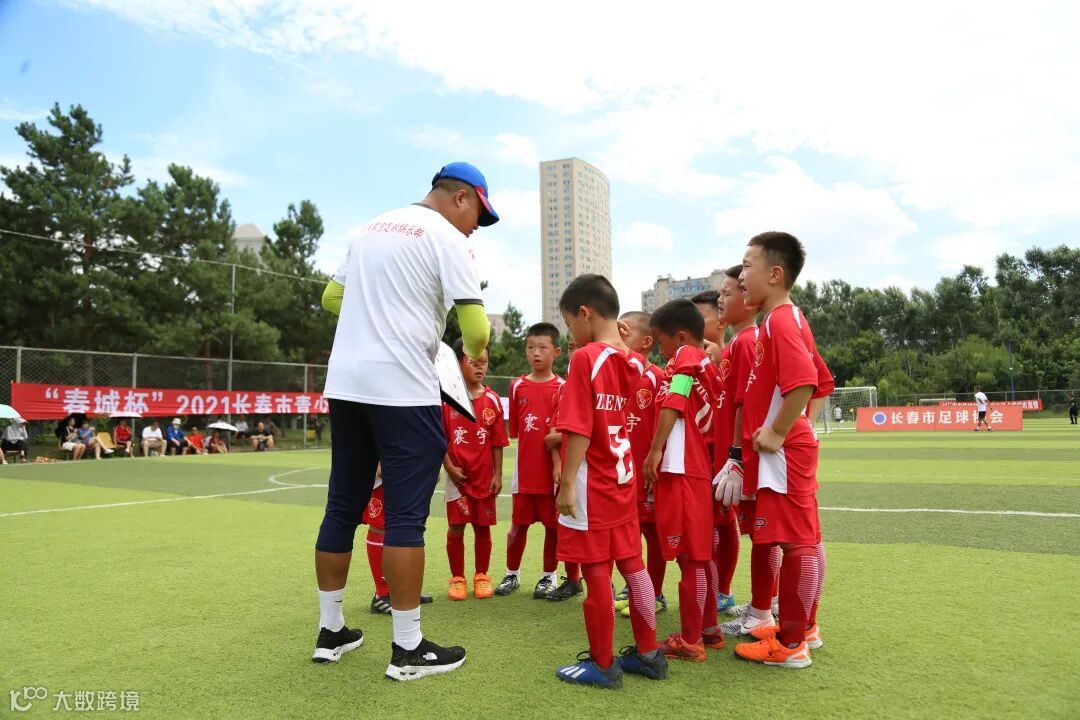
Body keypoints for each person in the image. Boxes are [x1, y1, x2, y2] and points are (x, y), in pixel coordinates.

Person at [313, 161, 495, 679]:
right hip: (404, 390)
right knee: (405, 518)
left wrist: (376, 320)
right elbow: (476, 332)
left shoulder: (369, 228)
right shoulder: (447, 238)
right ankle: (408, 649)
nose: (475, 228)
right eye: (478, 216)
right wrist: (450, 349)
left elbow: (331, 297)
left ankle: (331, 632)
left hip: (347, 385)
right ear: (461, 198)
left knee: (341, 506)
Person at [551, 274, 668, 689]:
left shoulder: (586, 358)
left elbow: (579, 427)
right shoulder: (632, 361)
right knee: (633, 565)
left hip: (593, 481)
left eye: (570, 324)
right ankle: (650, 653)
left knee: (597, 571)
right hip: (623, 478)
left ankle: (602, 664)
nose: (571, 334)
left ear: (585, 313)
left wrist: (567, 483)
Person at [728, 231, 834, 669]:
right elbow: (822, 379)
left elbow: (806, 382)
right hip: (788, 450)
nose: (741, 275)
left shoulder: (781, 321)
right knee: (802, 540)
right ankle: (802, 629)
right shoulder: (782, 320)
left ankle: (792, 644)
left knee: (796, 544)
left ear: (774, 274)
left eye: (746, 266)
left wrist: (777, 431)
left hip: (785, 452)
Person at [644, 299, 725, 663]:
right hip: (695, 469)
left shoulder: (687, 357)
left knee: (691, 559)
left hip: (684, 470)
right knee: (700, 556)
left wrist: (654, 451)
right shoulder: (699, 362)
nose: (660, 352)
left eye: (661, 342)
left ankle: (691, 640)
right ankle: (709, 630)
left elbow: (675, 399)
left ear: (679, 337)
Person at [494, 323, 565, 599]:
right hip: (524, 474)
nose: (536, 352)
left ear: (556, 352)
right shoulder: (517, 386)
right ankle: (512, 573)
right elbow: (516, 432)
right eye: (531, 347)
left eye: (542, 347)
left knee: (553, 527)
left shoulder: (563, 387)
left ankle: (549, 577)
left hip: (552, 475)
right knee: (518, 526)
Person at [442, 340, 508, 601]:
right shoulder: (447, 399)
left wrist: (498, 474)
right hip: (456, 477)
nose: (481, 367)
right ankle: (457, 578)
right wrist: (449, 467)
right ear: (459, 364)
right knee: (456, 527)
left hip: (484, 478)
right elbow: (439, 438)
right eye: (474, 362)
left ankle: (482, 576)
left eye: (484, 362)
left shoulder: (492, 400)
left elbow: (498, 442)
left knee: (482, 528)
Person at [612, 311, 668, 618]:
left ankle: (655, 593)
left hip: (646, 474)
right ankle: (635, 587)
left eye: (625, 332)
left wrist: (655, 464)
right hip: (618, 474)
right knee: (625, 536)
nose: (618, 337)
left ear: (646, 342)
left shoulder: (657, 378)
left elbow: (664, 428)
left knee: (652, 534)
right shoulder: (613, 376)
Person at [542, 335, 584, 601]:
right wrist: (558, 461)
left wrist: (564, 436)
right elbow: (551, 436)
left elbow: (595, 431)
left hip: (595, 470)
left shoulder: (600, 383)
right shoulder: (564, 388)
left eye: (580, 347)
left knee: (596, 529)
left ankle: (605, 582)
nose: (574, 353)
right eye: (571, 348)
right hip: (569, 471)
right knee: (566, 524)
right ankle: (573, 580)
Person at [691, 289, 726, 363]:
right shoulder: (686, 362)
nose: (691, 324)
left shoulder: (733, 358)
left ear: (721, 323)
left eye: (698, 318)